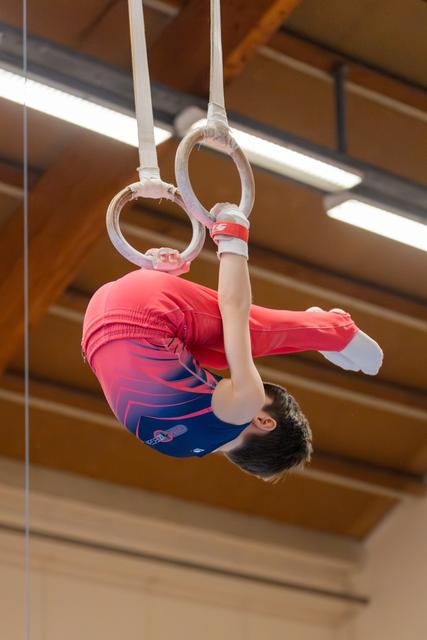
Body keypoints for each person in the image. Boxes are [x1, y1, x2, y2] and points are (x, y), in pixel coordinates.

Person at [81, 204, 383, 481]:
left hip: (143, 310)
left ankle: (333, 329)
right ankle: (316, 330)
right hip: (97, 324)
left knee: (245, 336)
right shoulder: (180, 448)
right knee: (218, 356)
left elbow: (234, 307)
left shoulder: (243, 407)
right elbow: (134, 370)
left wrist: (233, 239)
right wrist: (159, 276)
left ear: (264, 422)